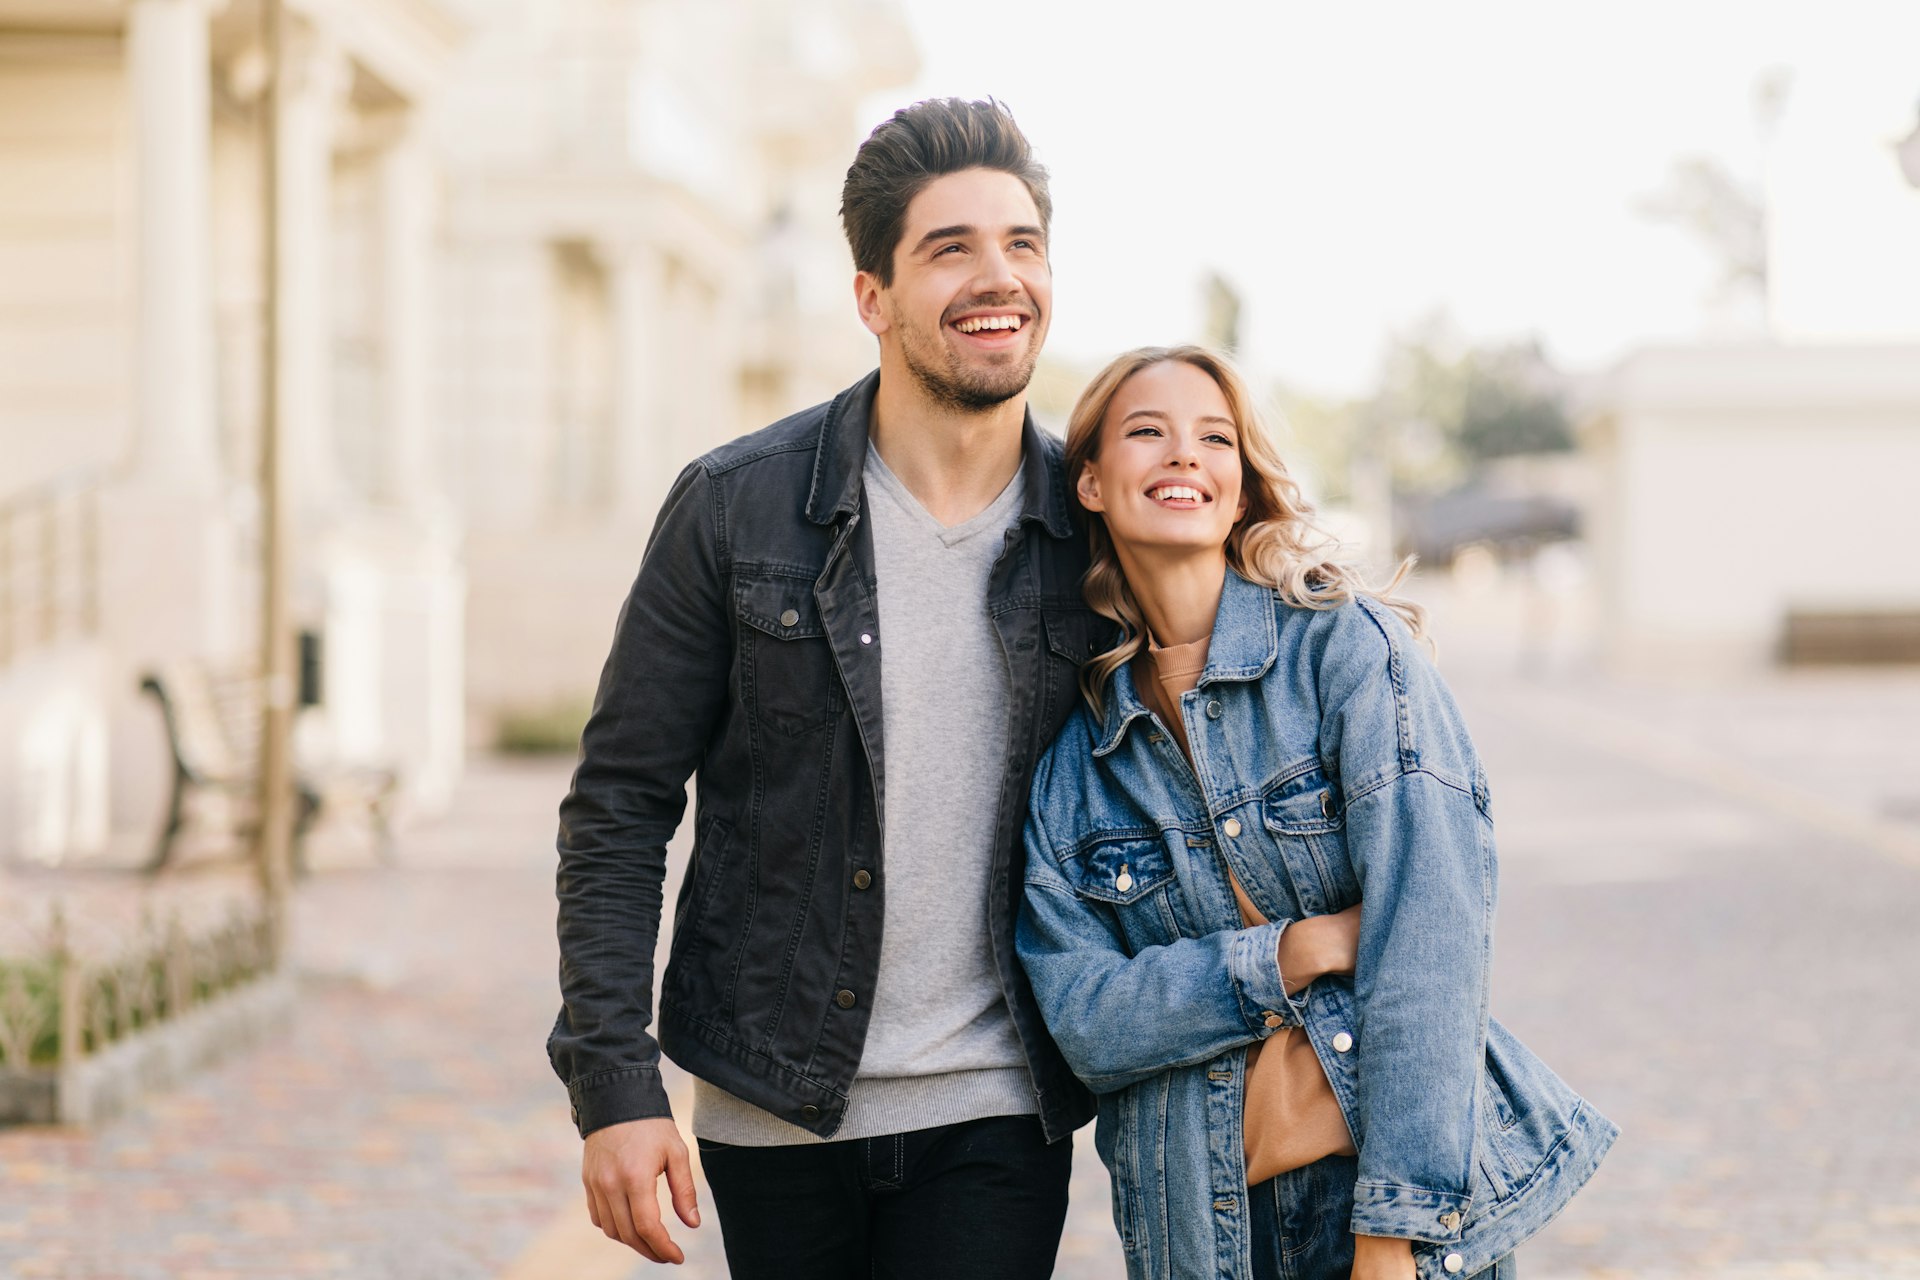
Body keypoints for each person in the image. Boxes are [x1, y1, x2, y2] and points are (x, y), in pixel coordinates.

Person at [548, 99, 1103, 1279]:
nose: (997, 275)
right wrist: (614, 1080)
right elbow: (621, 804)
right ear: (873, 298)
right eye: (949, 247)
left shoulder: (1091, 533)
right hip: (773, 1101)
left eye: (1022, 243)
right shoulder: (733, 507)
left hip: (996, 1106)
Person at [1015, 346, 1617, 1280]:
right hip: (1199, 1224)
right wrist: (1288, 953)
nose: (1185, 455)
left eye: (1214, 438)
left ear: (1241, 485)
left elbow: (1433, 938)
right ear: (1090, 482)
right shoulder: (1078, 765)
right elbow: (1085, 1021)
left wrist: (1395, 1229)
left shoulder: (1346, 653)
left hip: (1371, 1203)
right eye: (1148, 433)